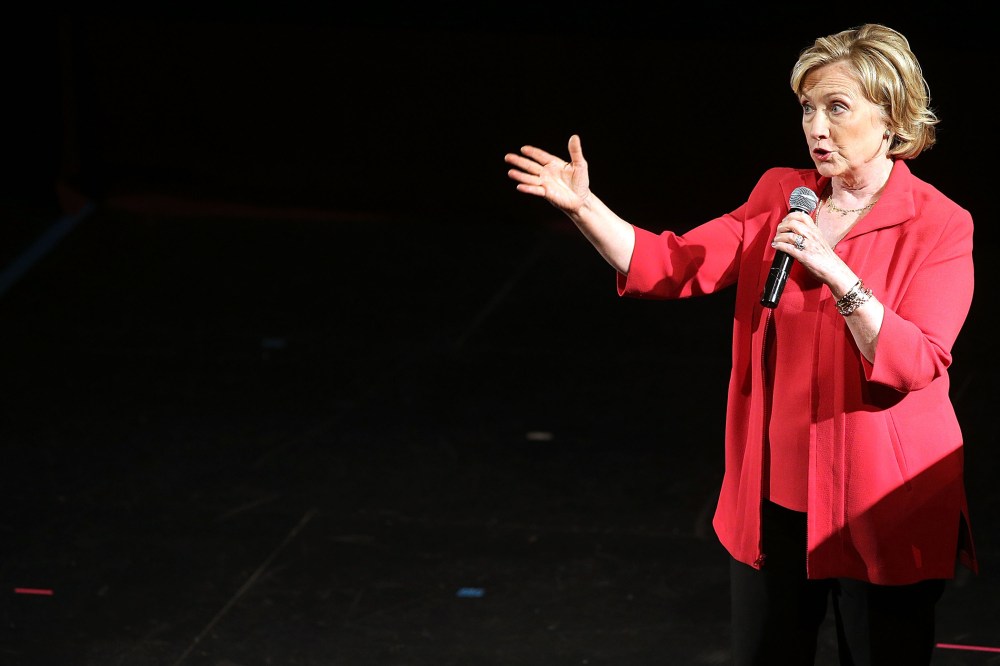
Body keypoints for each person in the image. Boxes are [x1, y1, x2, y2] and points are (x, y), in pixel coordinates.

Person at [504, 23, 976, 666]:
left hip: (879, 498)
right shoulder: (783, 194)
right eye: (807, 108)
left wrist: (838, 274)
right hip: (776, 493)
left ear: (891, 117)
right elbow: (674, 263)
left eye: (837, 107)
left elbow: (917, 362)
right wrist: (585, 207)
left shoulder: (939, 224)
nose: (816, 127)